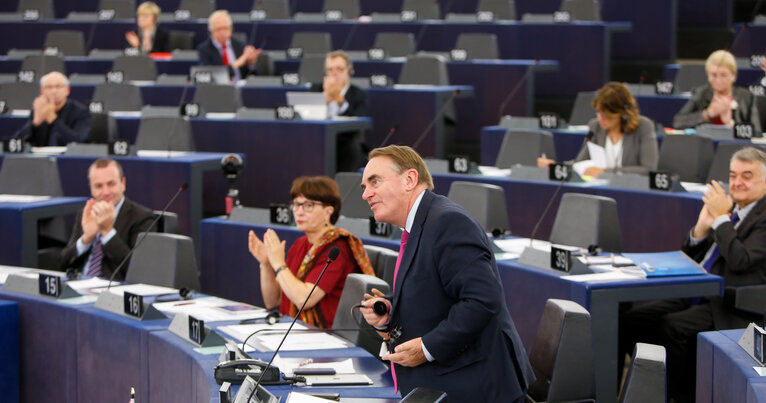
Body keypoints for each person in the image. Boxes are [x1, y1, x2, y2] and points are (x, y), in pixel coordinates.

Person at [359, 145, 534, 402]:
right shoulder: (420, 223)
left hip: (475, 389)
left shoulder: (447, 222)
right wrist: (389, 310)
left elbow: (482, 301)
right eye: (364, 186)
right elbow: (435, 291)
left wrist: (427, 348)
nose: (366, 194)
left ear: (409, 179)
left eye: (374, 181)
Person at [619, 146, 766, 403]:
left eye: (747, 176)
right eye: (733, 176)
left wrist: (721, 219)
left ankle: (679, 396)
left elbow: (740, 260)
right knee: (631, 321)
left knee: (672, 327)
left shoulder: (758, 217)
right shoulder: (734, 211)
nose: (737, 182)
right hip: (699, 293)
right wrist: (701, 228)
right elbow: (691, 255)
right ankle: (639, 390)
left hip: (732, 303)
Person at [248, 176, 374, 329]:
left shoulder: (337, 249)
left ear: (328, 211)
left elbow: (303, 299)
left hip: (325, 337)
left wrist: (278, 263)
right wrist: (267, 264)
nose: (299, 212)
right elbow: (273, 301)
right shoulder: (300, 244)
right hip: (294, 330)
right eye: (296, 204)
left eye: (308, 205)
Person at [59, 158, 155, 280]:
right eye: (98, 186)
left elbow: (139, 270)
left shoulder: (142, 217)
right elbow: (62, 264)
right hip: (77, 285)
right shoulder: (86, 214)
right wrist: (86, 239)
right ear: (91, 188)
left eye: (111, 184)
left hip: (113, 290)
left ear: (123, 184)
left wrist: (107, 232)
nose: (105, 192)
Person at [537, 81, 658, 177]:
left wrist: (605, 172)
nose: (600, 119)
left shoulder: (644, 126)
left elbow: (648, 169)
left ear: (622, 113)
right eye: (598, 113)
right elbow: (580, 162)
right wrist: (555, 166)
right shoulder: (595, 126)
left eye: (606, 116)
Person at [673, 49, 761, 131]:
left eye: (723, 75)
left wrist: (732, 125)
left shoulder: (747, 97)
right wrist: (707, 114)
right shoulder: (702, 94)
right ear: (708, 76)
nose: (718, 80)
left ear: (734, 76)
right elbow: (678, 122)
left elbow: (756, 131)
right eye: (714, 75)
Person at [13, 71, 91, 146]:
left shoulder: (81, 112)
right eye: (49, 87)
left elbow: (80, 141)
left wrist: (53, 119)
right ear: (42, 91)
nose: (54, 91)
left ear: (67, 90)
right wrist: (35, 123)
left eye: (58, 86)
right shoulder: (38, 110)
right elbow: (17, 142)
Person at [197, 10, 261, 81]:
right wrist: (237, 63)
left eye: (225, 28)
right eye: (218, 29)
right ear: (211, 31)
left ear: (231, 29)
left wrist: (251, 64)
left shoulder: (240, 46)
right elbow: (208, 77)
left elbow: (255, 77)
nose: (222, 33)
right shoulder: (204, 49)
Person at [309, 50, 368, 118]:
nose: (334, 73)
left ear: (349, 71)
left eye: (339, 69)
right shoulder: (316, 89)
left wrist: (340, 100)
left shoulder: (359, 95)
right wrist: (323, 99)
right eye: (330, 69)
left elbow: (359, 123)